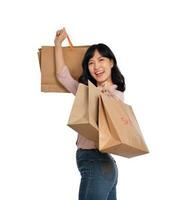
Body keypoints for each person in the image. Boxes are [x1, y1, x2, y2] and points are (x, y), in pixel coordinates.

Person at [54, 28, 126, 200]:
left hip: (97, 162)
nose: (96, 66)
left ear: (111, 63)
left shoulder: (115, 95)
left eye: (101, 60)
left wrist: (104, 92)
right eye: (91, 62)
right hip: (102, 165)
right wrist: (58, 44)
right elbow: (62, 76)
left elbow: (112, 120)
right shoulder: (85, 91)